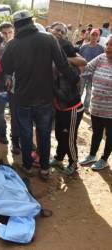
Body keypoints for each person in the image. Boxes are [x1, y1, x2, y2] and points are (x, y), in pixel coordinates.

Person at [1, 10, 80, 180]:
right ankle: (45, 169)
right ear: (31, 21)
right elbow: (62, 64)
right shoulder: (49, 39)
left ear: (16, 26)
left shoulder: (13, 44)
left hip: (23, 99)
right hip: (45, 99)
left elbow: (6, 68)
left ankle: (28, 166)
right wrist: (74, 78)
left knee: (26, 134)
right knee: (44, 134)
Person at [48, 22, 87, 175]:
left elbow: (82, 62)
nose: (58, 33)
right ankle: (58, 158)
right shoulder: (47, 48)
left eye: (61, 31)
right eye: (56, 29)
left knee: (69, 137)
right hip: (59, 106)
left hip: (72, 107)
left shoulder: (66, 48)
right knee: (59, 134)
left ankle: (73, 162)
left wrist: (64, 60)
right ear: (50, 30)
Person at [79, 35, 112, 170]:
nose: (108, 48)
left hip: (110, 111)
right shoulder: (101, 58)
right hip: (96, 106)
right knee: (97, 132)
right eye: (108, 44)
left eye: (111, 46)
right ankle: (92, 155)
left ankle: (104, 159)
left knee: (110, 135)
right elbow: (86, 68)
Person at [0, 21, 14, 145]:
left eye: (10, 32)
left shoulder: (18, 45)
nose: (7, 35)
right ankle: (2, 135)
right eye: (4, 33)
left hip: (16, 87)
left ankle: (15, 136)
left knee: (15, 113)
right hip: (0, 86)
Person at [79, 28, 104, 114]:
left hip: (94, 75)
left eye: (96, 35)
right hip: (82, 74)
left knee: (89, 92)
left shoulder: (101, 49)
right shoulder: (84, 47)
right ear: (90, 35)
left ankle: (86, 107)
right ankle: (78, 105)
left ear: (98, 37)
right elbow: (78, 57)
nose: (94, 37)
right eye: (93, 34)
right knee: (80, 90)